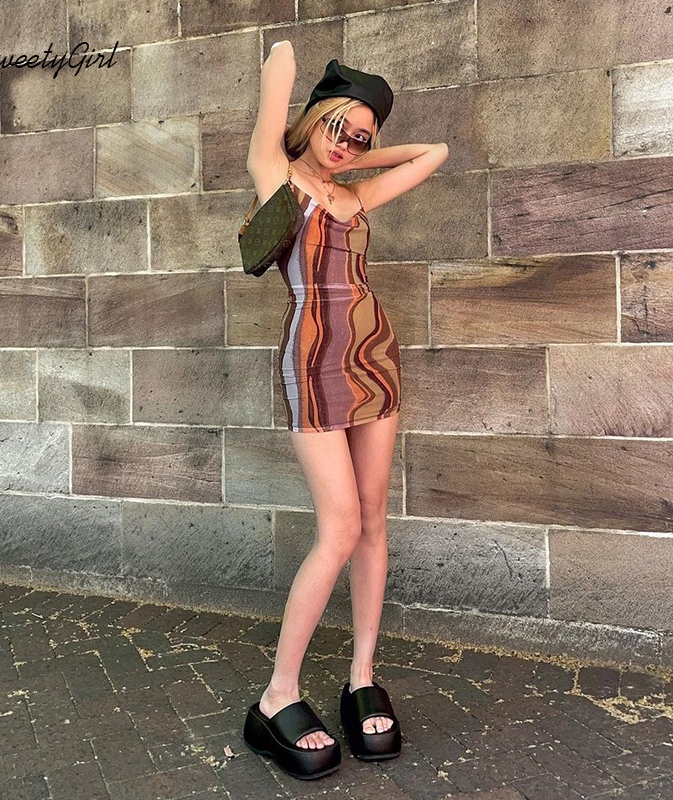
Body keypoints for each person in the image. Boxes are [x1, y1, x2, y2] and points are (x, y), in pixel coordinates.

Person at [242, 42, 449, 781]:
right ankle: (277, 695)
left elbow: (433, 152)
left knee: (373, 521)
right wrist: (302, 121)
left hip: (375, 357)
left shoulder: (352, 196)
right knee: (339, 529)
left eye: (361, 138)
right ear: (316, 118)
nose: (348, 145)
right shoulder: (277, 177)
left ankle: (362, 677)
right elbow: (277, 81)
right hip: (314, 359)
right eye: (340, 128)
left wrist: (354, 158)